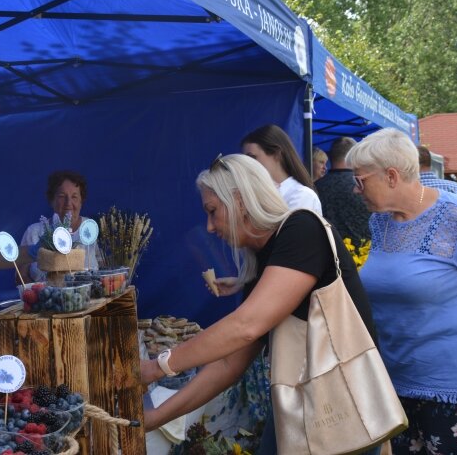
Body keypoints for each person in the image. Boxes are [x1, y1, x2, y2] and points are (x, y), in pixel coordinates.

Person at [141, 154, 376, 454]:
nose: (210, 227)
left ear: (240, 200)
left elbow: (246, 327)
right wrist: (154, 418)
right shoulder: (261, 260)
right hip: (301, 406)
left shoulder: (302, 229)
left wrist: (159, 367)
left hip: (343, 408)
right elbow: (228, 364)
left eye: (213, 211)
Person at [347, 128, 457, 454]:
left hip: (454, 385)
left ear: (392, 176)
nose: (356, 191)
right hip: (395, 379)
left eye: (360, 181)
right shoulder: (380, 222)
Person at [18, 170, 98, 282]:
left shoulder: (89, 228)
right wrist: (37, 292)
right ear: (51, 200)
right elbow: (20, 276)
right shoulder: (34, 232)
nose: (68, 202)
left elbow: (100, 268)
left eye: (74, 197)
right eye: (61, 196)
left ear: (81, 201)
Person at [240, 124, 322, 215]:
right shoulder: (256, 194)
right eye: (245, 160)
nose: (247, 164)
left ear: (277, 154)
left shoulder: (301, 196)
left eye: (252, 158)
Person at [315, 137, 371, 243]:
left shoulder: (315, 187)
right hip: (362, 253)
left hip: (326, 253)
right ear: (354, 157)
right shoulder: (364, 186)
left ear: (331, 157)